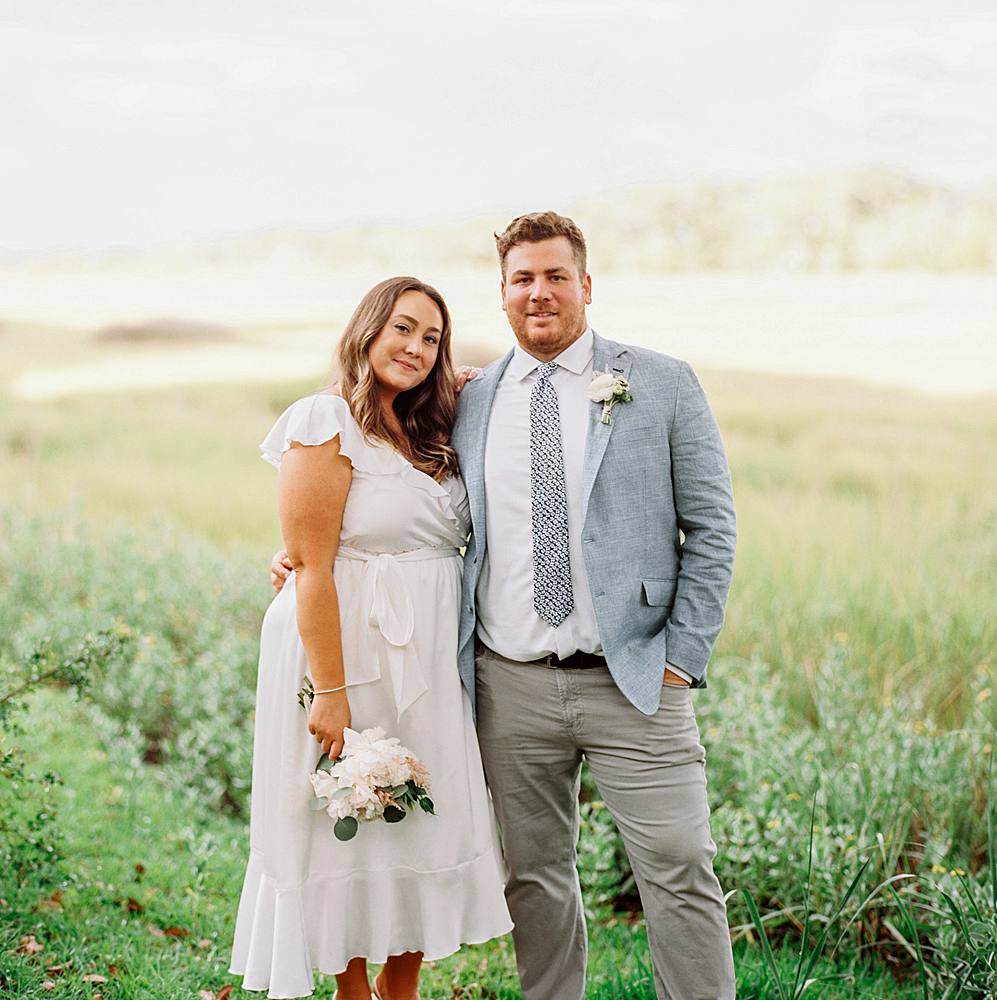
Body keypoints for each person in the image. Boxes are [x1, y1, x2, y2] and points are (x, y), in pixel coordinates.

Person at [274, 212, 737, 999]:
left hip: (635, 680)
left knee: (680, 869)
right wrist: (309, 557)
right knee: (535, 880)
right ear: (501, 294)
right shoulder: (471, 397)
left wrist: (681, 663)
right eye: (522, 278)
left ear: (585, 285)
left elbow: (713, 528)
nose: (540, 293)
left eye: (556, 276)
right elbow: (390, 495)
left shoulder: (660, 381)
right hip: (507, 683)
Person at [230, 276, 512, 1000]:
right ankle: (352, 989)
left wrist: (459, 386)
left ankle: (402, 987)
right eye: (402, 329)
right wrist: (331, 690)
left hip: (428, 655)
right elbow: (314, 564)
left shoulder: (431, 432)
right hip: (343, 646)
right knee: (341, 813)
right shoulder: (324, 419)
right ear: (367, 331)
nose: (416, 347)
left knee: (425, 815)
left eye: (432, 338)